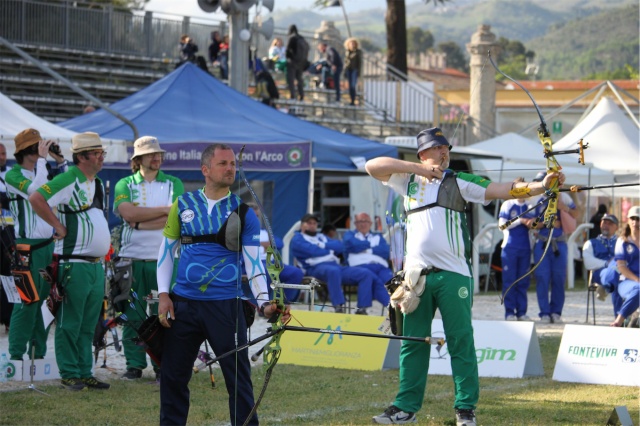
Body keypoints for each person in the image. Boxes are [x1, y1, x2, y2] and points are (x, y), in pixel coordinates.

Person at [365, 127, 566, 426]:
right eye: (437, 148)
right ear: (423, 153)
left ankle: (465, 409)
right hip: (416, 278)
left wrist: (541, 186)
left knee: (460, 341)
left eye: (446, 147)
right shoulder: (406, 181)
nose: (444, 152)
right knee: (412, 342)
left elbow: (502, 189)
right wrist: (419, 169)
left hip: (454, 276)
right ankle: (405, 408)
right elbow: (372, 166)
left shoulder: (458, 180)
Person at [156, 144, 289, 425]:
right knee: (172, 377)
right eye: (223, 164)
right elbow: (166, 252)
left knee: (238, 379)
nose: (230, 168)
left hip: (227, 306)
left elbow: (254, 265)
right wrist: (164, 295)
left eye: (232, 164)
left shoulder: (244, 213)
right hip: (184, 305)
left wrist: (264, 302)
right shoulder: (182, 205)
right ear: (206, 170)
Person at [29, 132, 111, 391]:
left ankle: (85, 371)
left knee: (88, 323)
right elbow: (36, 198)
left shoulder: (94, 181)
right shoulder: (69, 178)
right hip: (74, 263)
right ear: (83, 156)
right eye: (97, 153)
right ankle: (69, 372)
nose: (101, 157)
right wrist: (58, 227)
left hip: (95, 264)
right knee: (70, 321)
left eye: (102, 152)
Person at [113, 136, 184, 381]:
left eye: (159, 154)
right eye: (152, 154)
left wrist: (140, 222)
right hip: (132, 258)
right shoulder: (124, 183)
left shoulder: (174, 183)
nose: (158, 157)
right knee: (133, 312)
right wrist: (164, 212)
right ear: (138, 159)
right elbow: (127, 213)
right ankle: (134, 365)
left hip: (165, 259)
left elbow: (177, 217)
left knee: (164, 314)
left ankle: (162, 364)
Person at [4, 129, 67, 360]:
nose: (40, 149)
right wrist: (43, 162)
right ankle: (16, 355)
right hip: (25, 248)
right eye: (36, 146)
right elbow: (37, 194)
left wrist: (60, 161)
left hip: (46, 247)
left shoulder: (43, 170)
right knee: (26, 301)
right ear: (24, 151)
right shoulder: (12, 175)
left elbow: (65, 188)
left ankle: (38, 354)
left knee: (44, 304)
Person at [291, 213, 391, 314]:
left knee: (366, 274)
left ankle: (362, 309)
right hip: (315, 267)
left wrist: (321, 245)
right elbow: (311, 251)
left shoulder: (321, 237)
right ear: (302, 225)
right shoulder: (297, 238)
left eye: (314, 223)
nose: (312, 225)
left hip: (337, 267)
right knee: (333, 271)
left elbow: (339, 246)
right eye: (309, 223)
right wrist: (329, 250)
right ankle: (339, 307)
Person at [531, 171, 578, 324]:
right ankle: (544, 312)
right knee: (542, 278)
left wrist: (563, 208)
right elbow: (531, 223)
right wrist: (546, 222)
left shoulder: (563, 196)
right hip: (543, 242)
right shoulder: (536, 201)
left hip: (559, 243)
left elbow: (576, 213)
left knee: (559, 278)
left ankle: (556, 312)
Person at [248, 203, 303, 303]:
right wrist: (263, 243)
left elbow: (280, 243)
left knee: (296, 273)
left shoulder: (264, 232)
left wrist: (264, 244)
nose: (255, 219)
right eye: (253, 216)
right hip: (251, 263)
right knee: (266, 270)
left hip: (270, 262)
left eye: (257, 216)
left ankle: (282, 304)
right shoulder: (240, 231)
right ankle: (264, 305)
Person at [498, 190, 535, 321]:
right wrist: (520, 220)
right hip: (510, 248)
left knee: (523, 281)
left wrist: (533, 223)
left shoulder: (530, 205)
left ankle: (521, 312)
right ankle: (509, 312)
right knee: (509, 281)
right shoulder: (508, 204)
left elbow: (534, 224)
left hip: (525, 248)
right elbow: (502, 225)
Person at [582, 214, 621, 317]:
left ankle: (606, 287)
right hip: (600, 273)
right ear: (600, 224)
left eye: (610, 223)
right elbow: (588, 262)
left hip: (620, 273)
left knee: (617, 283)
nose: (606, 226)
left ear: (616, 227)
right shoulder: (591, 243)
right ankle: (620, 319)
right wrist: (606, 264)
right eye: (604, 223)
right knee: (616, 280)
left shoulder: (621, 243)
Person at [343, 212, 393, 286]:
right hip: (359, 266)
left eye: (366, 221)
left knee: (390, 281)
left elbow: (385, 251)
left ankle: (387, 297)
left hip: (381, 267)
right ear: (355, 223)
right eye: (360, 221)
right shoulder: (349, 234)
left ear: (370, 223)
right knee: (371, 279)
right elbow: (353, 245)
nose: (363, 224)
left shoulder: (378, 236)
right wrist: (372, 244)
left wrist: (367, 250)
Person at [610, 205, 640, 327]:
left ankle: (633, 319)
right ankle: (620, 320)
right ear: (628, 220)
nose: (635, 222)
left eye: (638, 219)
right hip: (626, 282)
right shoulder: (622, 241)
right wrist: (637, 280)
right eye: (632, 218)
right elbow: (621, 267)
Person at [0, 142, 13, 332]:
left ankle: (9, 320)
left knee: (10, 277)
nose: (1, 157)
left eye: (3, 153)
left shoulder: (11, 174)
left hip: (9, 232)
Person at [285, 24, 308, 101]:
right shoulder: (301, 38)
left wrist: (288, 58)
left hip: (293, 62)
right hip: (301, 62)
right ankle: (301, 95)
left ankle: (292, 95)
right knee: (299, 79)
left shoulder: (292, 38)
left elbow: (288, 50)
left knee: (291, 78)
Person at [343, 37, 363, 106]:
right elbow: (345, 63)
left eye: (353, 43)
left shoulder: (358, 52)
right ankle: (351, 100)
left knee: (353, 85)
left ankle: (353, 100)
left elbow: (359, 63)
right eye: (351, 43)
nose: (352, 45)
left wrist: (359, 73)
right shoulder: (347, 52)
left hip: (354, 70)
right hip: (348, 70)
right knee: (349, 86)